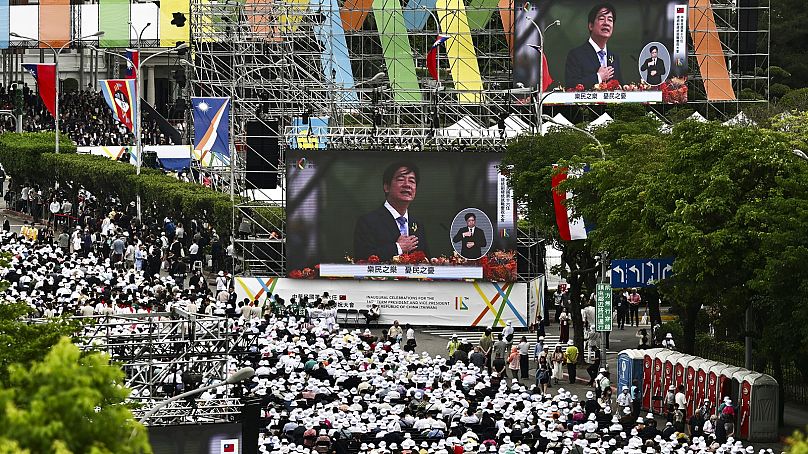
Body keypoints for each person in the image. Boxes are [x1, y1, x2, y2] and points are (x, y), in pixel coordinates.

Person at [353, 162, 429, 261]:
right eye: (401, 179)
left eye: (412, 181)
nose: (407, 185)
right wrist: (398, 248)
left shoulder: (417, 224)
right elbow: (363, 258)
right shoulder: (368, 222)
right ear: (387, 187)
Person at [564, 3, 623, 89]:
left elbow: (620, 84)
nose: (606, 23)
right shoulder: (576, 55)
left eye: (610, 20)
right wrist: (598, 77)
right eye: (602, 19)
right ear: (591, 26)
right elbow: (571, 85)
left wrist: (624, 87)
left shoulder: (614, 57)